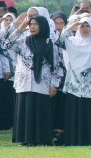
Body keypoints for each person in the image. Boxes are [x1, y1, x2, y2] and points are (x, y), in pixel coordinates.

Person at [4, 14, 60, 146]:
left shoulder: (49, 44)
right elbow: (6, 44)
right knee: (25, 110)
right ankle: (25, 139)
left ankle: (41, 139)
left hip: (42, 83)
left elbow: (56, 66)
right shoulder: (24, 41)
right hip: (24, 82)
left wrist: (54, 84)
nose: (32, 27)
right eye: (31, 24)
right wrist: (20, 28)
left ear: (43, 26)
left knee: (40, 110)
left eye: (36, 24)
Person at [57, 17, 91, 145]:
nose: (85, 29)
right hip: (75, 86)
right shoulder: (73, 43)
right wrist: (73, 26)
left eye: (88, 26)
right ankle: (74, 140)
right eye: (82, 26)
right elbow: (59, 40)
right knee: (75, 113)